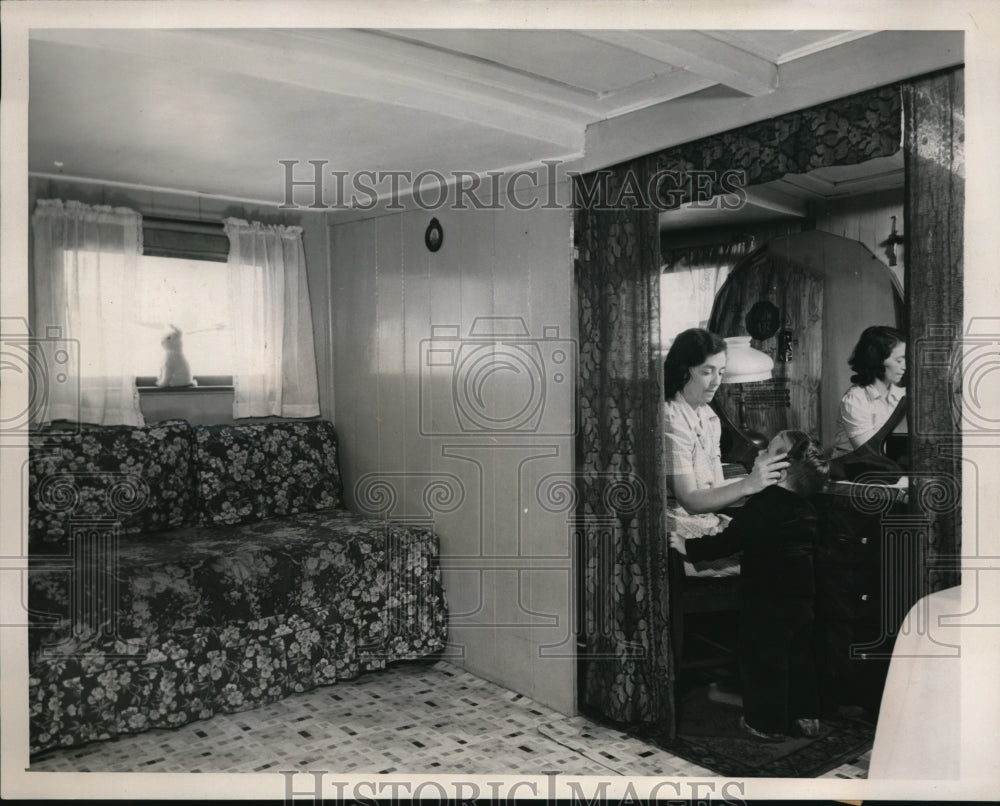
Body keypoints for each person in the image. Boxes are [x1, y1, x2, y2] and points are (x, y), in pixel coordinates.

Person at [670, 430, 830, 741]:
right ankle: (806, 716)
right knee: (799, 655)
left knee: (763, 661)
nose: (758, 455)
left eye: (768, 451)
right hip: (803, 598)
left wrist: (687, 547)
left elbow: (729, 541)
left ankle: (765, 724)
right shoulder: (808, 508)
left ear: (779, 471)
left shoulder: (763, 503)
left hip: (765, 600)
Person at [663, 328, 789, 576]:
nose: (716, 381)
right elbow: (690, 500)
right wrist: (748, 485)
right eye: (707, 371)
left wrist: (764, 485)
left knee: (781, 547)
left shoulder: (707, 415)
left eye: (720, 372)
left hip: (707, 523)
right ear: (683, 370)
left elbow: (716, 488)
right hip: (678, 529)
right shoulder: (670, 417)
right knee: (772, 565)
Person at [832, 326, 906, 457]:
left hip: (889, 465)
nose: (905, 366)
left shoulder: (902, 395)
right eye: (899, 360)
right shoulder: (855, 400)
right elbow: (869, 455)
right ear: (877, 361)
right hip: (854, 469)